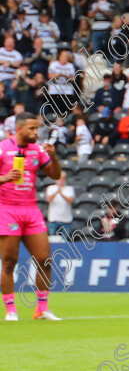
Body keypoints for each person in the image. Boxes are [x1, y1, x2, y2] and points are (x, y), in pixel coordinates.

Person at [0, 112, 62, 321]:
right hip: (7, 209)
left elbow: (54, 175)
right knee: (9, 262)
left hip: (31, 210)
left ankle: (42, 308)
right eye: (32, 129)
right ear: (19, 129)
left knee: (45, 259)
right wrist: (5, 177)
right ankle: (11, 309)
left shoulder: (37, 150)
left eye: (37, 128)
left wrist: (53, 157)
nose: (36, 132)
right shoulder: (3, 148)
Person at [45, 171, 73, 236]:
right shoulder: (50, 188)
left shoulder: (69, 189)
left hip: (66, 220)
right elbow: (48, 199)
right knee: (52, 241)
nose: (60, 180)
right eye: (59, 178)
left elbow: (71, 201)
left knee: (65, 242)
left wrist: (62, 194)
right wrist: (56, 192)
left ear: (65, 180)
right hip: (53, 220)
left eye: (62, 179)